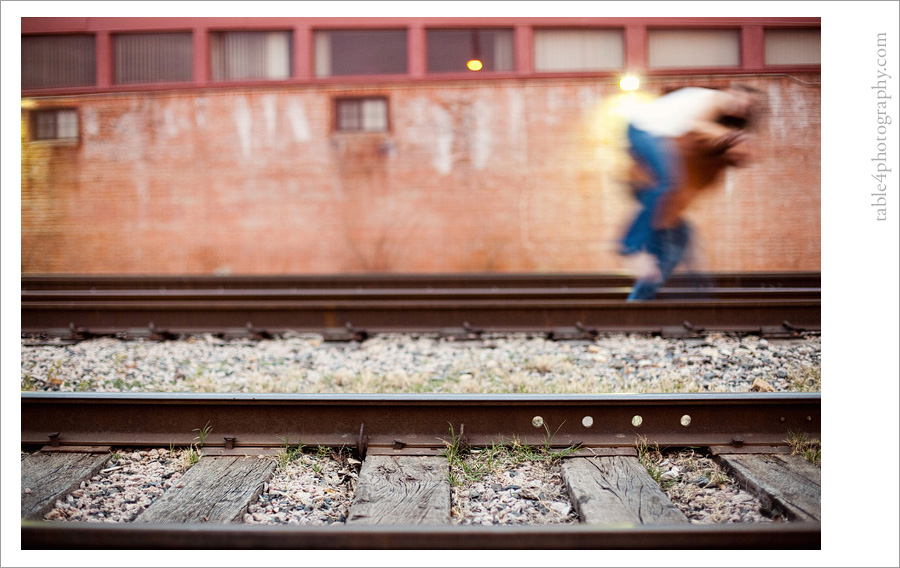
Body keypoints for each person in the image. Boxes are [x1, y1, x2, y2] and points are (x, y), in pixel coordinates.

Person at [618, 84, 765, 300]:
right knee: (675, 247)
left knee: (679, 245)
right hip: (650, 186)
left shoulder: (714, 168)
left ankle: (657, 296)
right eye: (737, 152)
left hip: (663, 199)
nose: (741, 158)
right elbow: (670, 178)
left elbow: (683, 192)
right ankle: (647, 284)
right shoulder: (701, 128)